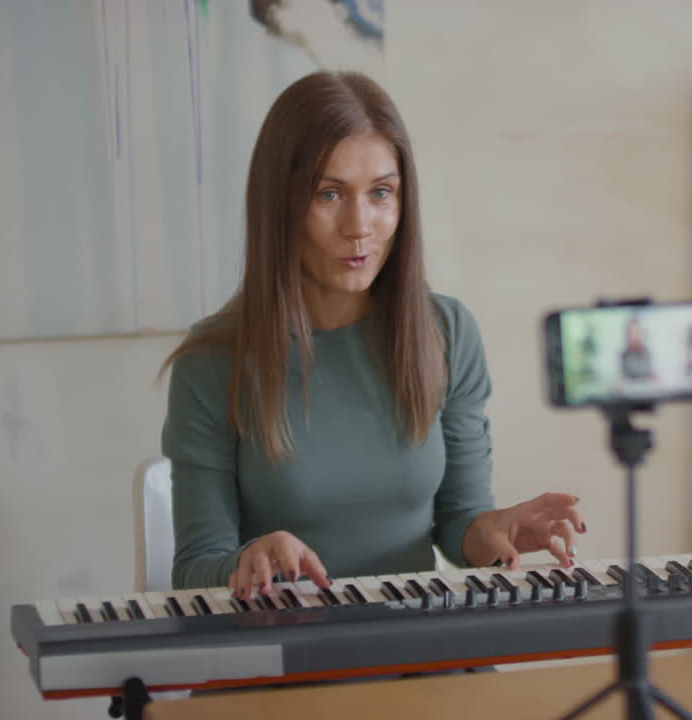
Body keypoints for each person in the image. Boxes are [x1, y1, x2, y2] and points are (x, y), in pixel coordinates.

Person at [159, 71, 585, 601]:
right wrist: (247, 561)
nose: (359, 225)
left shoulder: (447, 332)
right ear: (280, 205)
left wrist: (498, 531)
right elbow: (194, 569)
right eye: (329, 194)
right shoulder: (213, 360)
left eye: (381, 192)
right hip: (280, 653)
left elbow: (459, 525)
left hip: (414, 645)